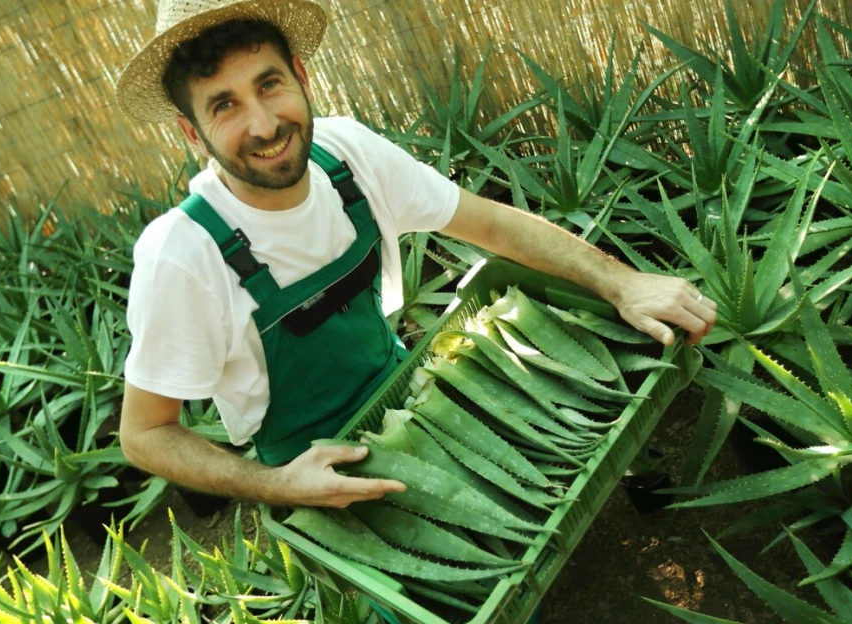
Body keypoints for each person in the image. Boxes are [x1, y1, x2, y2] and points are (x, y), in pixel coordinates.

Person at [115, 0, 717, 510]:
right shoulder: (183, 256)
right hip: (316, 469)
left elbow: (494, 226)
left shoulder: (346, 155)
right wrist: (276, 485)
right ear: (192, 132)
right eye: (224, 105)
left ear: (301, 75)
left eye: (269, 84)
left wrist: (622, 284)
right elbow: (145, 434)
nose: (265, 124)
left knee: (560, 456)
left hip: (408, 389)